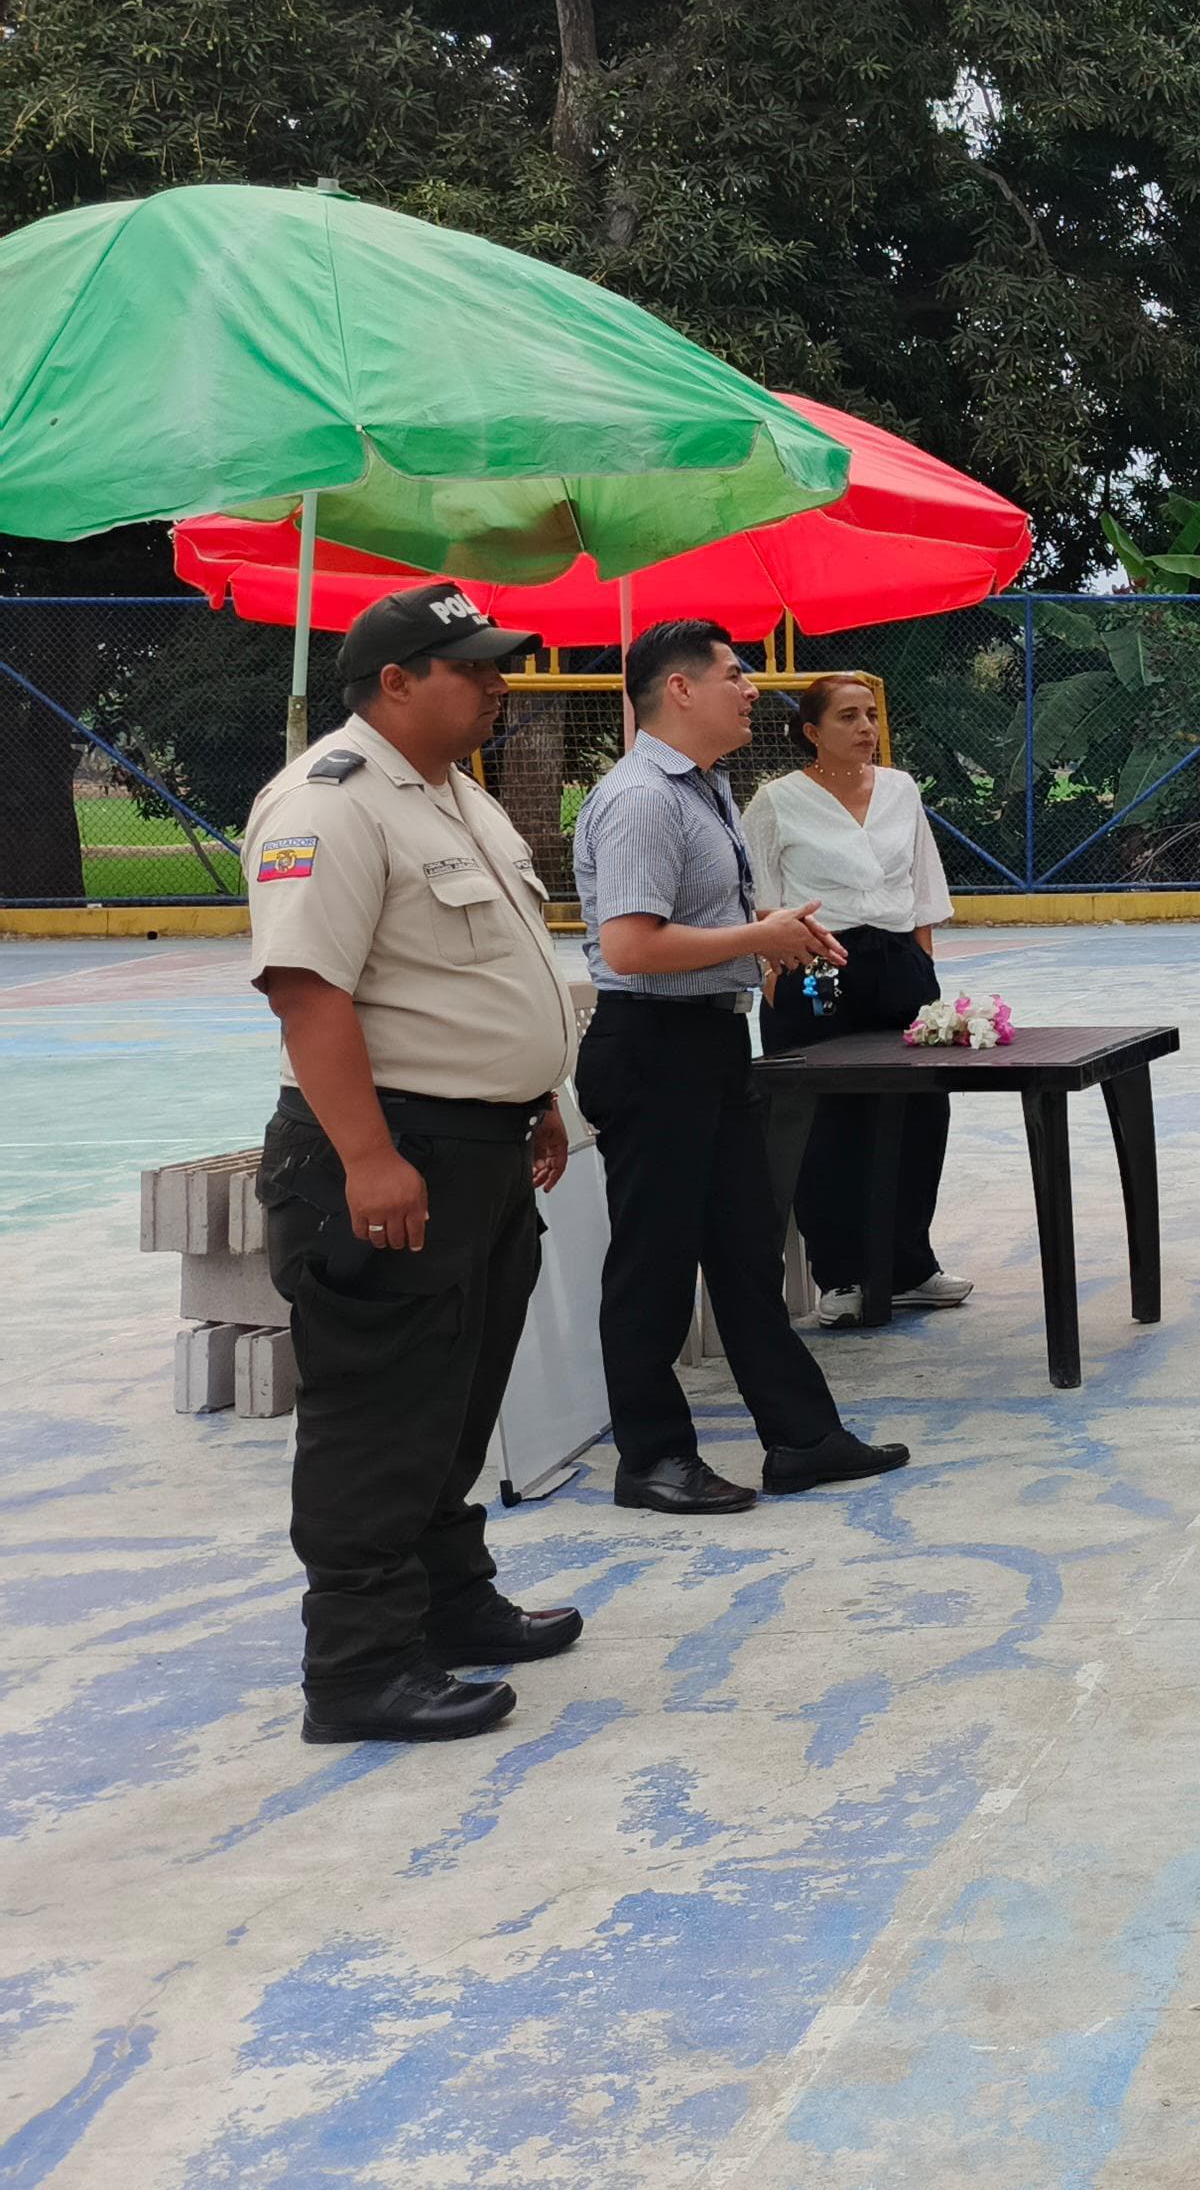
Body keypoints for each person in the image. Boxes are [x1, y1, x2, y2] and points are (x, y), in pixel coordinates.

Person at [243, 584, 583, 1745]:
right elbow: (308, 992)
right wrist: (369, 1157)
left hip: (479, 1147)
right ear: (394, 680)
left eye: (496, 662)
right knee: (379, 1414)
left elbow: (477, 974)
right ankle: (359, 1666)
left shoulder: (456, 796)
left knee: (456, 1395)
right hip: (391, 1151)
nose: (497, 681)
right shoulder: (326, 801)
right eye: (472, 665)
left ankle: (449, 1600)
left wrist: (534, 1094)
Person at [574, 620, 907, 1515]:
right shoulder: (643, 799)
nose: (752, 689)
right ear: (679, 689)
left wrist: (769, 937)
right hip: (653, 1046)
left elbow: (695, 927)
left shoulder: (707, 788)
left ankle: (802, 1437)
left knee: (745, 1251)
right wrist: (756, 938)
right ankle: (652, 1458)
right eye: (734, 674)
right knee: (653, 1264)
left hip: (711, 1042)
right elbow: (631, 947)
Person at [744, 672, 963, 1314]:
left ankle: (910, 1265)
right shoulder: (776, 801)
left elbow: (923, 889)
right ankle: (841, 1275)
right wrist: (773, 977)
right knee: (827, 1121)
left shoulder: (901, 789)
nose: (866, 727)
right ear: (812, 732)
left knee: (920, 1110)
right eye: (847, 716)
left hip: (898, 962)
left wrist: (923, 972)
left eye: (870, 714)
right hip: (817, 965)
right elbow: (757, 897)